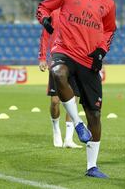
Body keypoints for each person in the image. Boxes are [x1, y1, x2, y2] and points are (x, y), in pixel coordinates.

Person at [36, 0, 117, 178]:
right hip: (65, 51)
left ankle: (92, 166)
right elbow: (43, 7)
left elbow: (109, 30)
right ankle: (78, 124)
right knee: (57, 72)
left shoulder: (108, 4)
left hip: (90, 60)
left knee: (96, 115)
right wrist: (45, 20)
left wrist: (101, 51)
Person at [38, 9, 82, 149]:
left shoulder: (80, 13)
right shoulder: (54, 13)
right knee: (55, 101)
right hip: (58, 60)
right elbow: (45, 35)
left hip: (76, 60)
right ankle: (56, 128)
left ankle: (68, 139)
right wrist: (42, 58)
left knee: (73, 100)